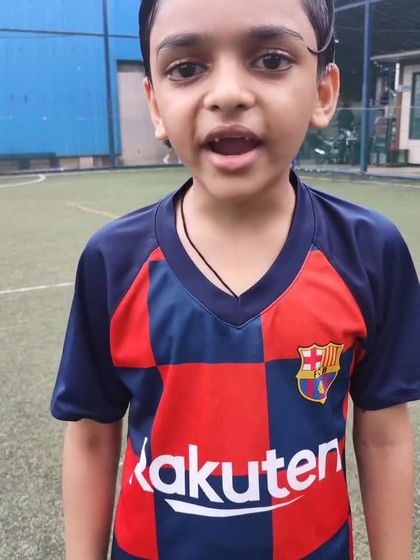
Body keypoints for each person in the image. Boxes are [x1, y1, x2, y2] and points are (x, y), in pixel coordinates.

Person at [51, 0, 420, 558]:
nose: (227, 93)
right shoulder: (113, 261)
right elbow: (91, 436)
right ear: (155, 104)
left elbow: (385, 434)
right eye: (186, 68)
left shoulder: (369, 252)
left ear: (323, 91)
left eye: (270, 59)